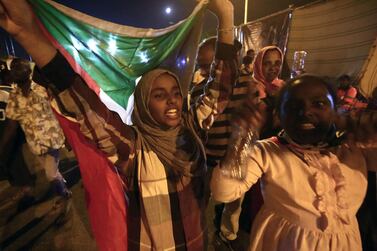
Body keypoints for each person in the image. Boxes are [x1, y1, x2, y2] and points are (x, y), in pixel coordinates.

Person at [0, 0, 237, 250]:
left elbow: (221, 88)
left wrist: (226, 14)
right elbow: (84, 103)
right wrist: (27, 34)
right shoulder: (132, 149)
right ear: (144, 103)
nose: (172, 101)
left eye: (175, 92)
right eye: (158, 95)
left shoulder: (193, 129)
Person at [211, 74, 377, 251]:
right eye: (293, 106)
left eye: (319, 104)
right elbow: (223, 192)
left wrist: (356, 125)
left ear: (335, 109)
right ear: (278, 116)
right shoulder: (268, 151)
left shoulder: (354, 149)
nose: (306, 112)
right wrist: (241, 137)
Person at [4, 58, 71, 199]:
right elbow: (11, 125)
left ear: (28, 71)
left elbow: (58, 109)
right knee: (52, 171)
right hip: (35, 144)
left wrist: (68, 133)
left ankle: (63, 194)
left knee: (50, 174)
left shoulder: (42, 88)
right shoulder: (14, 97)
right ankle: (61, 185)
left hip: (52, 139)